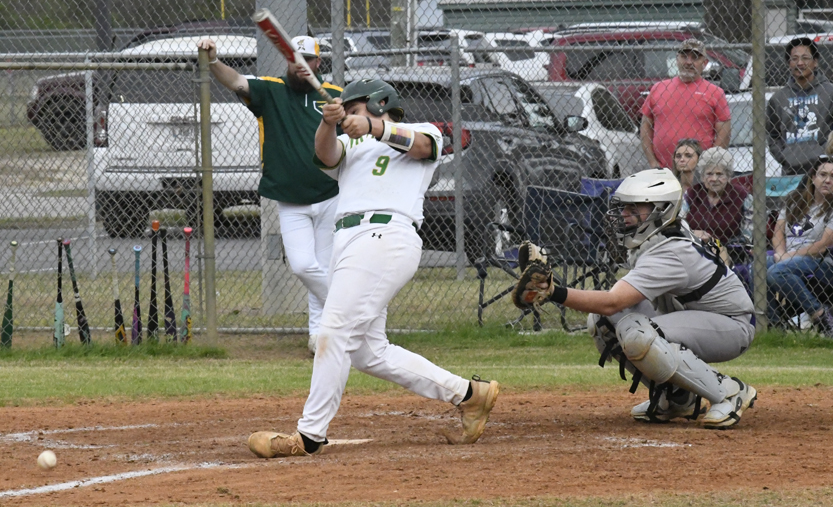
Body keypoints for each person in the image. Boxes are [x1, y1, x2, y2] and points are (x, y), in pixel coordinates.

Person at [247, 78, 500, 458]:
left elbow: (425, 147)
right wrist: (328, 123)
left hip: (386, 235)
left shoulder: (420, 130)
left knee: (332, 331)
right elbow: (325, 156)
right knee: (368, 352)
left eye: (354, 109)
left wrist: (373, 126)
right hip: (348, 241)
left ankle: (309, 435)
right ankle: (468, 394)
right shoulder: (349, 143)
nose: (350, 117)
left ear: (381, 103)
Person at [515, 168, 757, 428]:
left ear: (662, 209)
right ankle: (676, 397)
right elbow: (610, 308)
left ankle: (728, 391)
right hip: (698, 315)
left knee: (637, 332)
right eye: (624, 208)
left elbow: (612, 300)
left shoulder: (669, 251)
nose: (624, 216)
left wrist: (553, 291)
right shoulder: (659, 235)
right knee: (603, 321)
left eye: (634, 209)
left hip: (731, 325)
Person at [197, 36, 342, 354]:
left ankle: (321, 335)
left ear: (318, 63)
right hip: (291, 200)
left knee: (324, 267)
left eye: (307, 59)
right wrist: (212, 61)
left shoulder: (334, 97)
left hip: (331, 196)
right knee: (304, 266)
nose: (300, 64)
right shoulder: (272, 90)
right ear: (287, 61)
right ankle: (352, 312)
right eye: (294, 58)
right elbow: (235, 81)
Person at [765, 155, 833, 337]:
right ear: (813, 177)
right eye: (823, 174)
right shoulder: (794, 199)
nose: (827, 180)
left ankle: (820, 315)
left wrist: (788, 257)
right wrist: (780, 252)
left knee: (777, 271)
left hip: (820, 262)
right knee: (758, 266)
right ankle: (774, 326)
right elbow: (778, 231)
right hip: (787, 256)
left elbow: (822, 246)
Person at [640, 39, 731, 170]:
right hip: (663, 171)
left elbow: (724, 133)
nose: (688, 62)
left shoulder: (715, 93)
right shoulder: (658, 88)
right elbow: (645, 126)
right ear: (677, 59)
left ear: (704, 63)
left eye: (695, 58)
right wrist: (653, 162)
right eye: (684, 56)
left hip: (698, 173)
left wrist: (710, 164)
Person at [767, 37, 833, 176]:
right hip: (791, 173)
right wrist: (784, 158)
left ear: (815, 62)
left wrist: (825, 153)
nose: (800, 63)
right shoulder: (778, 99)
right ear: (788, 63)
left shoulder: (830, 93)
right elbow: (773, 135)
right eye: (794, 58)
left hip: (825, 171)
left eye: (805, 58)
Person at [682, 147, 752, 248]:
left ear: (728, 177)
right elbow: (678, 225)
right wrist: (692, 233)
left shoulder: (742, 196)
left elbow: (747, 238)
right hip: (693, 248)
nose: (714, 179)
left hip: (729, 252)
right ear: (702, 176)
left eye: (719, 174)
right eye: (709, 174)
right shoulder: (691, 194)